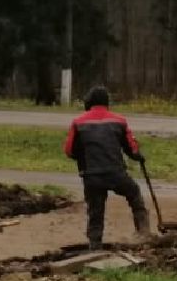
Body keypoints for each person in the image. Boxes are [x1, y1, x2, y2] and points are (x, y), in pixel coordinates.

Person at [63, 86, 152, 248]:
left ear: (88, 102)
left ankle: (95, 245)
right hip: (116, 173)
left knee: (95, 210)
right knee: (134, 194)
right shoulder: (119, 121)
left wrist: (83, 158)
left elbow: (69, 151)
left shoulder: (78, 122)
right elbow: (132, 149)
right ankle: (144, 231)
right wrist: (139, 156)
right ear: (107, 102)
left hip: (91, 175)